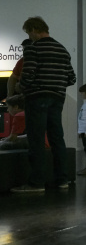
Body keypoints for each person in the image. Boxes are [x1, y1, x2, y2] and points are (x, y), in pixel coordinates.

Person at [12, 16, 76, 193]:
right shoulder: (62, 49)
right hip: (57, 98)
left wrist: (20, 87)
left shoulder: (33, 48)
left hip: (37, 98)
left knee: (37, 139)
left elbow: (29, 73)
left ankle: (36, 182)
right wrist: (55, 84)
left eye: (28, 32)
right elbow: (72, 77)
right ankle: (62, 179)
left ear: (33, 30)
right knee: (57, 138)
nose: (29, 36)